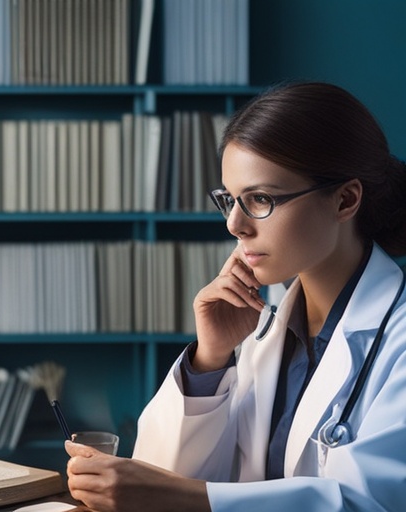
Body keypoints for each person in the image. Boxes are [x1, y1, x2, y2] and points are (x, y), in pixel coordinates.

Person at [64, 81, 406, 511]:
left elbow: (369, 503)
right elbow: (162, 478)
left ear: (345, 200)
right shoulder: (262, 326)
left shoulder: (399, 338)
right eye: (230, 200)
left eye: (261, 199)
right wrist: (210, 359)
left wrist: (184, 497)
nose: (235, 225)